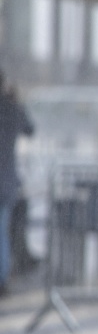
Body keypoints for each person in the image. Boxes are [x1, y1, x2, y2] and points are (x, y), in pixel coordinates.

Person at [0, 72, 33, 297]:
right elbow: (30, 129)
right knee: (2, 232)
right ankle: (2, 279)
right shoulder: (11, 108)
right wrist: (15, 99)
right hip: (6, 181)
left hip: (5, 182)